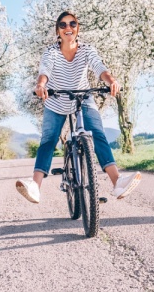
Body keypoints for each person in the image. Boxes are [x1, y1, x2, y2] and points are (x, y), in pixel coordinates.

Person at [16, 11, 141, 204]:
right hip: (56, 100)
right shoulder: (51, 52)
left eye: (72, 24)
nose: (68, 28)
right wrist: (41, 85)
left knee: (97, 134)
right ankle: (35, 186)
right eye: (63, 25)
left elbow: (99, 67)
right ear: (58, 31)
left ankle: (118, 182)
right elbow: (45, 71)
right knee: (48, 140)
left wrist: (111, 81)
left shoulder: (86, 50)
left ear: (77, 28)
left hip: (82, 98)